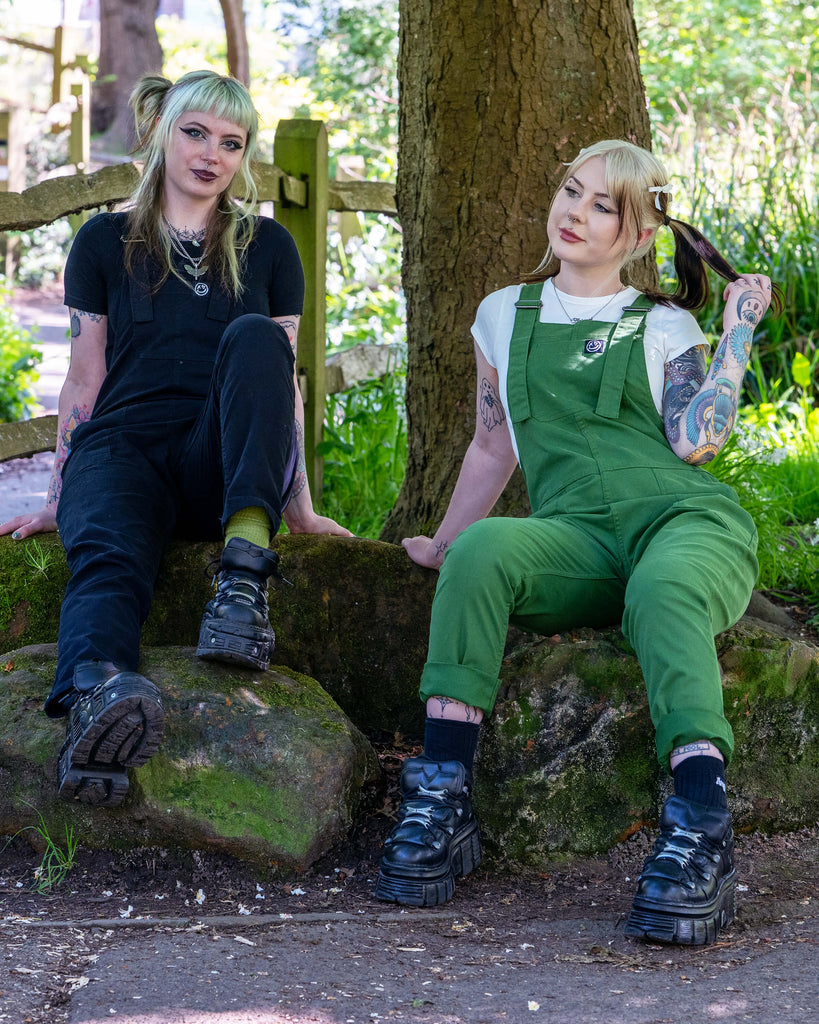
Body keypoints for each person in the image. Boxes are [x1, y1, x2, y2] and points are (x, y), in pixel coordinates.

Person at [374, 139, 779, 946]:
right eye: (571, 191)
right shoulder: (501, 313)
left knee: (662, 592)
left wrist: (734, 335)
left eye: (604, 207)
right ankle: (443, 796)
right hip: (576, 537)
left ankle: (700, 824)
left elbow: (698, 441)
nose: (575, 213)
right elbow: (493, 445)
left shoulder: (663, 323)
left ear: (636, 237)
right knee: (482, 552)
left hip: (683, 523)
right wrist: (446, 539)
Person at [0, 70, 350, 808]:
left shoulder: (268, 247)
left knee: (259, 340)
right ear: (161, 132)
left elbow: (281, 388)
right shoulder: (102, 242)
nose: (211, 154)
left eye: (231, 142)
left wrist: (301, 509)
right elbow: (83, 378)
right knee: (106, 549)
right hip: (121, 449)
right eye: (195, 132)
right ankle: (99, 694)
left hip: (215, 459)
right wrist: (59, 499)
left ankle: (242, 581)